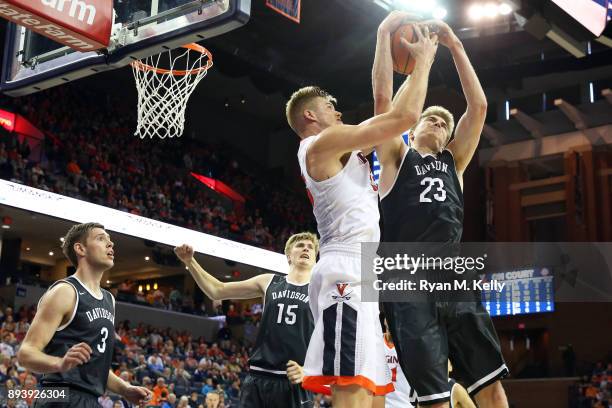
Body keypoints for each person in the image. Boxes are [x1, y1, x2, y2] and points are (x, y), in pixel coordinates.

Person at [285, 11, 439, 408]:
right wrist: (421, 63)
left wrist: (385, 32)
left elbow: (386, 108)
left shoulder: (342, 149)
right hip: (344, 270)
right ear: (310, 116)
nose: (338, 113)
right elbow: (404, 119)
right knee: (351, 389)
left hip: (360, 274)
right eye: (330, 108)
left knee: (371, 398)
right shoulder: (319, 146)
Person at [373, 18, 509, 408]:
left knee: (491, 385)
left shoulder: (455, 162)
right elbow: (384, 104)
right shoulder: (397, 158)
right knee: (433, 398)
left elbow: (479, 106)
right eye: (430, 117)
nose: (438, 121)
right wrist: (385, 37)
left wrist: (455, 46)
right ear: (412, 130)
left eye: (445, 122)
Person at [174, 232, 319, 408]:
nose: (306, 248)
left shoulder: (321, 289)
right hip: (258, 378)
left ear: (315, 259)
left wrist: (310, 371)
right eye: (300, 245)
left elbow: (334, 337)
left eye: (310, 247)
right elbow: (217, 290)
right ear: (289, 255)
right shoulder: (269, 281)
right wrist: (190, 262)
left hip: (293, 380)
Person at [17, 222, 151, 407]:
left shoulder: (109, 299)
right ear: (80, 249)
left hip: (90, 399)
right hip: (58, 394)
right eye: (101, 239)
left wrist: (124, 389)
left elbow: (94, 366)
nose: (110, 244)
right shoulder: (65, 291)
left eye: (110, 241)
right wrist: (59, 363)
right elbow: (26, 354)